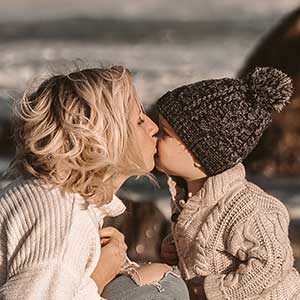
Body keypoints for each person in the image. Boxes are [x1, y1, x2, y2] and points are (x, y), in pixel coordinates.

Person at [0, 66, 189, 299]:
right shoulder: (64, 220)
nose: (153, 127)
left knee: (162, 281)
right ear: (103, 138)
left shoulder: (54, 192)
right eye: (139, 121)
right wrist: (97, 279)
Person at [156, 67, 300, 299]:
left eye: (164, 133)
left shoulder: (249, 206)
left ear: (200, 154)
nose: (153, 134)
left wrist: (208, 290)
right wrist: (173, 247)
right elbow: (208, 243)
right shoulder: (189, 196)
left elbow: (272, 262)